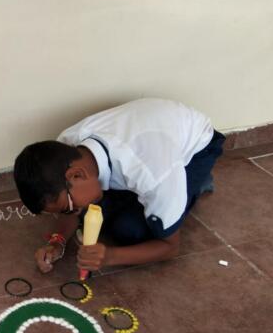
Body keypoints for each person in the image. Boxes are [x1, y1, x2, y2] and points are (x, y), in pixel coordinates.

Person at [14, 98, 225, 275]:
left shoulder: (153, 173)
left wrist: (110, 257)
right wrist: (57, 241)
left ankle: (195, 184)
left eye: (68, 208)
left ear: (77, 174)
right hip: (150, 130)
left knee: (130, 230)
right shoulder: (66, 148)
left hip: (197, 147)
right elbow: (69, 205)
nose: (72, 213)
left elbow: (170, 247)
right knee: (98, 211)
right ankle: (145, 196)